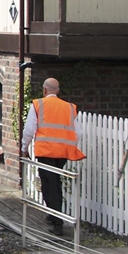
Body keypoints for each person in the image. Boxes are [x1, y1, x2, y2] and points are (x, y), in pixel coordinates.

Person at [20, 77, 85, 235]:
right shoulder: (69, 107)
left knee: (49, 185)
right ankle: (53, 214)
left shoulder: (38, 105)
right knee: (55, 183)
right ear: (58, 91)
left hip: (46, 151)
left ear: (44, 90)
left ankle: (57, 222)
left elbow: (29, 130)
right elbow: (78, 133)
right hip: (62, 153)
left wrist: (24, 148)